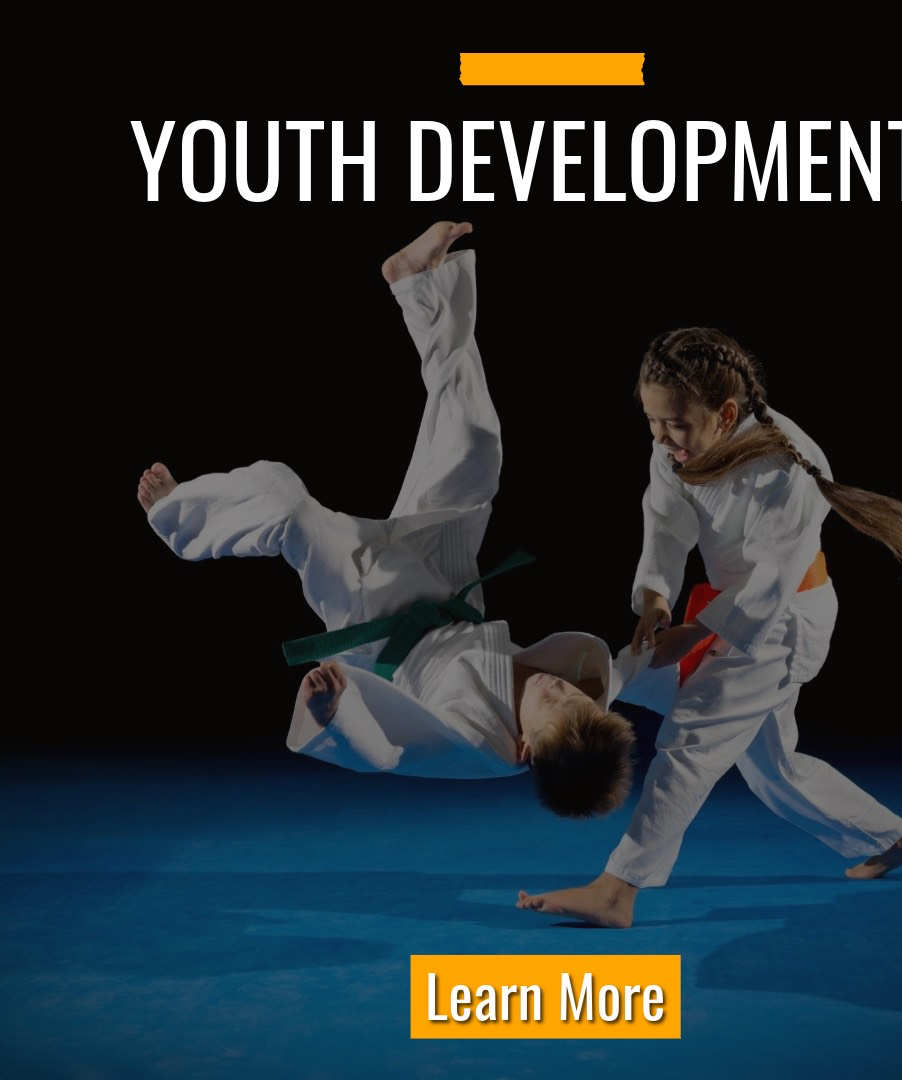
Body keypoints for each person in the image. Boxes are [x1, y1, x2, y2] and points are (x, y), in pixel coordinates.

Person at [137, 222, 669, 818]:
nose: (558, 689)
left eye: (554, 704)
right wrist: (687, 638)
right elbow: (634, 670)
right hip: (444, 585)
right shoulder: (587, 705)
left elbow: (387, 753)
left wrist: (334, 716)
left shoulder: (474, 742)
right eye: (575, 695)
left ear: (524, 748)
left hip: (377, 621)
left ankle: (176, 516)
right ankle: (418, 282)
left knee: (285, 503)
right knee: (475, 442)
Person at [517, 326, 902, 924]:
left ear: (727, 414)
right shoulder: (679, 444)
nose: (660, 437)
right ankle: (893, 840)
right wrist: (656, 597)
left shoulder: (787, 466)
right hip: (724, 611)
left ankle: (618, 890)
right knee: (772, 767)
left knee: (691, 739)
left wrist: (695, 632)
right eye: (651, 421)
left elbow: (773, 577)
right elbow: (665, 522)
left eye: (674, 424)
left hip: (781, 621)